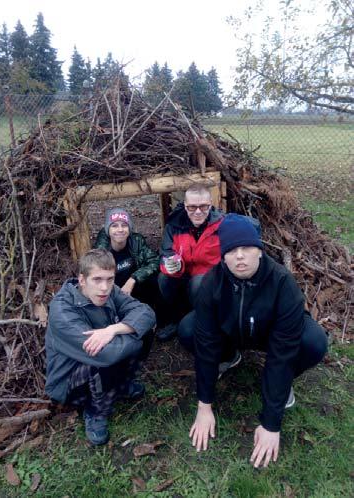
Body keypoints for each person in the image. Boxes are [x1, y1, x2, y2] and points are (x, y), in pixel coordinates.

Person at [187, 213, 328, 467]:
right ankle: (229, 358)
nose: (239, 256)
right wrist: (204, 406)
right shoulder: (211, 282)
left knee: (314, 341)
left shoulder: (283, 282)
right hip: (231, 333)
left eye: (246, 248)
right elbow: (206, 342)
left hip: (269, 336)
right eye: (231, 250)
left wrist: (271, 424)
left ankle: (281, 387)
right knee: (188, 329)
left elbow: (283, 350)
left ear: (260, 251)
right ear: (223, 256)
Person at [45, 249, 156, 446]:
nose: (104, 287)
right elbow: (105, 354)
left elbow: (146, 312)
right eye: (97, 279)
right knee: (105, 356)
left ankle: (120, 386)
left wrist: (113, 329)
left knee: (142, 330)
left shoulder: (110, 290)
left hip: (104, 353)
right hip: (69, 379)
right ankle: (95, 411)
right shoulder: (61, 310)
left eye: (110, 279)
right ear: (82, 280)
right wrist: (132, 334)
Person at [157, 183, 224, 341]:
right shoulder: (174, 225)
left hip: (210, 282)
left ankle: (203, 321)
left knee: (198, 282)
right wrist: (173, 264)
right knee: (164, 278)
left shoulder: (223, 226)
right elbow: (166, 253)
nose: (198, 212)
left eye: (204, 207)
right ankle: (177, 318)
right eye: (192, 207)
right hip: (184, 276)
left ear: (211, 204)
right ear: (185, 206)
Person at [94, 208, 159, 300]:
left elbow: (155, 261)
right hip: (111, 295)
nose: (120, 230)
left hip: (136, 291)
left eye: (124, 225)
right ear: (108, 230)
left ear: (129, 229)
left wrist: (133, 279)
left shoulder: (137, 242)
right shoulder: (101, 251)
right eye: (114, 226)